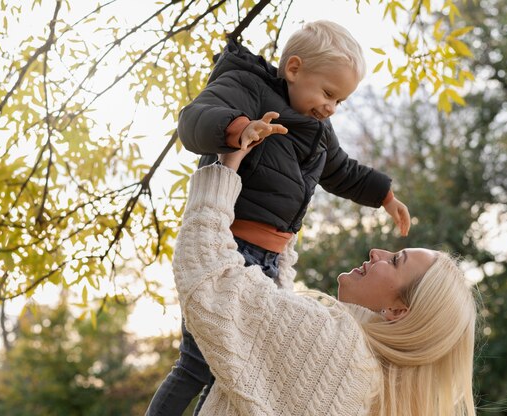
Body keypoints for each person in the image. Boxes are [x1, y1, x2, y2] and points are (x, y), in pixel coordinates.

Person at [147, 20, 411, 415]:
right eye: (327, 93)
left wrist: (384, 194)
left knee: (239, 368)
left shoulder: (319, 130)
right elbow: (196, 118)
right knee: (198, 363)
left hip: (271, 263)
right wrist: (239, 130)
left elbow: (340, 170)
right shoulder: (247, 87)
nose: (331, 108)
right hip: (229, 248)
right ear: (294, 69)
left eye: (340, 101)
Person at [163, 147, 478, 415]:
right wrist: (279, 233)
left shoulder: (337, 347)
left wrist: (223, 168)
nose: (378, 252)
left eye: (395, 261)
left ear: (398, 311)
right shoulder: (371, 389)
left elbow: (210, 277)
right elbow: (276, 340)